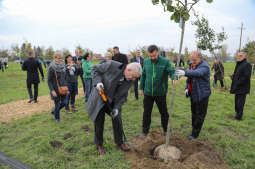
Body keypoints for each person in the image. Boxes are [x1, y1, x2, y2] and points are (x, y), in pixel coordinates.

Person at [86, 60, 142, 155]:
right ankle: (99, 144)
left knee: (117, 119)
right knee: (99, 121)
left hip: (113, 101)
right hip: (100, 96)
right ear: (128, 70)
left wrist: (116, 108)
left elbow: (123, 96)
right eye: (133, 76)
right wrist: (98, 82)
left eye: (135, 78)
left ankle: (119, 142)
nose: (133, 80)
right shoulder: (112, 65)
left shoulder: (129, 80)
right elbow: (95, 69)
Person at [139, 45, 177, 137]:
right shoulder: (146, 61)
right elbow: (143, 75)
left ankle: (166, 130)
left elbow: (171, 71)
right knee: (146, 113)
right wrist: (141, 87)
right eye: (150, 56)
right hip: (148, 92)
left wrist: (173, 78)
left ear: (158, 53)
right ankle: (144, 131)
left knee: (164, 112)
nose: (152, 58)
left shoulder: (165, 62)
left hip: (160, 92)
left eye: (154, 56)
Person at [176, 51, 211, 140]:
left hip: (202, 94)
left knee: (200, 115)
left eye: (194, 60)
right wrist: (187, 87)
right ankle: (194, 129)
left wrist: (184, 72)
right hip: (194, 93)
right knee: (194, 113)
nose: (192, 61)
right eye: (191, 59)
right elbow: (190, 78)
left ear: (200, 58)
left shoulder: (204, 66)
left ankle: (194, 134)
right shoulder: (193, 65)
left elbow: (198, 73)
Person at [230, 52, 252, 120]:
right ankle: (237, 114)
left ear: (244, 57)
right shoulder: (239, 64)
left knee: (240, 103)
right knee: (237, 102)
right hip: (237, 87)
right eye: (238, 56)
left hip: (242, 88)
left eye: (241, 56)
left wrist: (238, 82)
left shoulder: (247, 64)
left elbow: (246, 77)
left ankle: (239, 117)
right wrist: (233, 77)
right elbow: (238, 74)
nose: (239, 57)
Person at [47, 52, 68, 122]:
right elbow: (49, 80)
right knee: (57, 104)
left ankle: (55, 111)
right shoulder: (51, 67)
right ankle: (57, 119)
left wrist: (66, 87)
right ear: (54, 58)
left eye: (61, 58)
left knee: (65, 102)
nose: (60, 59)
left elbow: (65, 78)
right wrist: (52, 90)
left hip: (63, 89)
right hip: (55, 89)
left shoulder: (63, 66)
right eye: (58, 58)